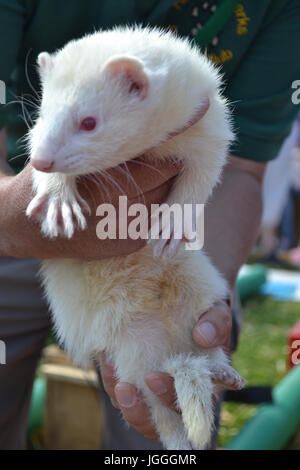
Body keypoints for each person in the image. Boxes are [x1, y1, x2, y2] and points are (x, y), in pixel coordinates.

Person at [0, 0, 300, 450]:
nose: (45, 152)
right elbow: (43, 153)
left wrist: (202, 303)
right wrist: (18, 216)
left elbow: (236, 166)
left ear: (139, 87)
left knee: (166, 409)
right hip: (17, 211)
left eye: (87, 123)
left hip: (174, 239)